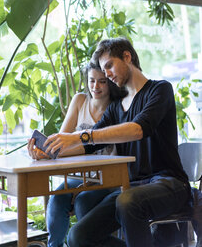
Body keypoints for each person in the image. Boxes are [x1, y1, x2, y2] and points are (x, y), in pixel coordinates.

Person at [41, 37, 193, 247]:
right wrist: (49, 150)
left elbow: (138, 129)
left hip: (169, 183)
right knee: (77, 237)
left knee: (126, 201)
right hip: (131, 189)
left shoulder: (160, 90)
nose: (107, 74)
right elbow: (88, 145)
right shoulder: (115, 108)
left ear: (127, 57)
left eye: (109, 66)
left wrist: (80, 135)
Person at [28, 61, 127, 247]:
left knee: (83, 201)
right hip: (79, 175)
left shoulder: (116, 108)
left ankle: (86, 242)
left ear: (110, 83)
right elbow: (61, 140)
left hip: (107, 177)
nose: (95, 87)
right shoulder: (80, 100)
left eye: (102, 82)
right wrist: (44, 152)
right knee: (58, 197)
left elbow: (94, 145)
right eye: (91, 81)